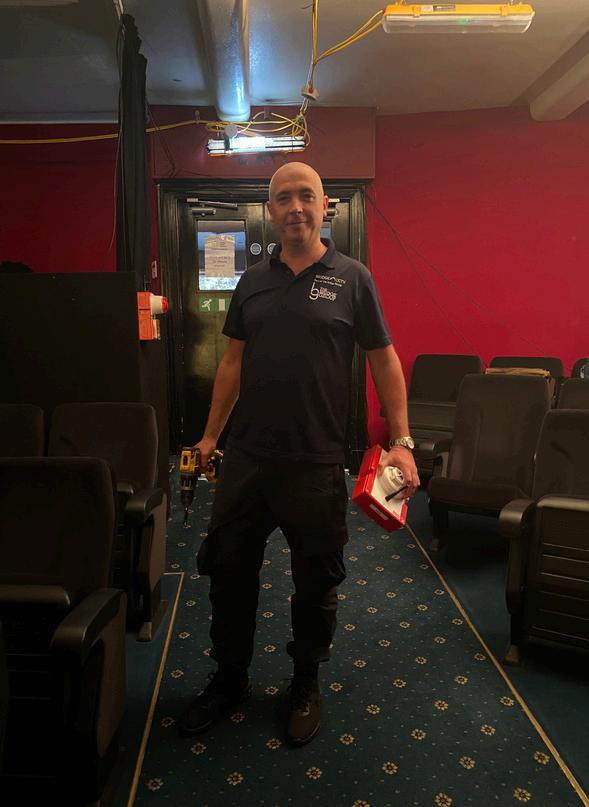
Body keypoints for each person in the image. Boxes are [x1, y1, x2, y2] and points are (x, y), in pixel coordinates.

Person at [178, 161, 419, 746]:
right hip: (247, 460)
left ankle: (305, 680)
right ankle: (229, 676)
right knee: (228, 573)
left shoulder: (353, 278)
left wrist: (402, 441)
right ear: (270, 210)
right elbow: (232, 362)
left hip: (316, 462)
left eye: (305, 196)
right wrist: (210, 437)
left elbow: (383, 358)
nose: (295, 208)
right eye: (283, 198)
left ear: (324, 204)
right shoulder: (251, 281)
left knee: (317, 581)